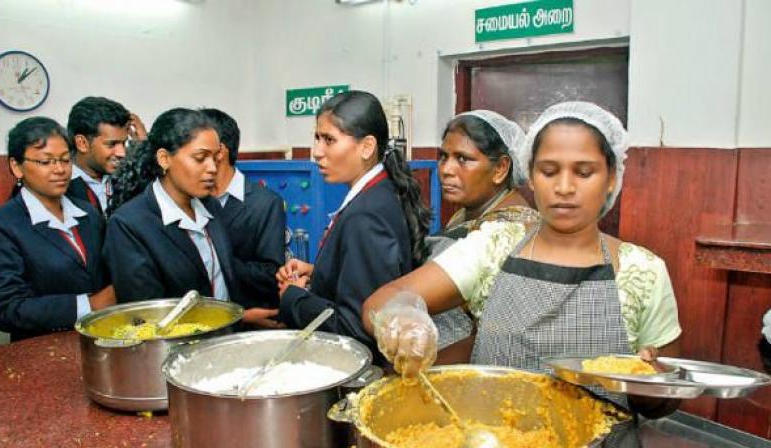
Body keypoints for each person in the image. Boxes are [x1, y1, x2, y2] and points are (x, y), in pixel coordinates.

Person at [364, 102, 682, 430]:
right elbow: (383, 300)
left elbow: (664, 402)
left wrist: (650, 386)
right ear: (530, 175)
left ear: (612, 178)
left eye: (584, 172)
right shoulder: (494, 245)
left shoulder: (643, 271)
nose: (564, 188)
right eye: (548, 171)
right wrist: (403, 317)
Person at [276, 91, 432, 355]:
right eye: (317, 138)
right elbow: (374, 279)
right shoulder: (380, 190)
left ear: (367, 147)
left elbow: (356, 329)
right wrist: (318, 271)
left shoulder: (366, 215)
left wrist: (294, 297)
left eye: (329, 140)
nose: (317, 152)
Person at [104, 108, 280, 328]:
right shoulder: (129, 225)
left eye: (215, 158)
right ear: (164, 159)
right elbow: (148, 319)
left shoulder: (210, 207)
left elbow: (221, 284)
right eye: (200, 158)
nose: (213, 168)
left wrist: (237, 318)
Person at [0, 117, 114, 341]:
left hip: (102, 339)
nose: (59, 170)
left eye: (65, 160)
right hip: (41, 351)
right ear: (16, 167)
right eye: (45, 162)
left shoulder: (88, 213)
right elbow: (7, 311)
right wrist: (89, 305)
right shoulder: (0, 225)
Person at [430, 110, 541, 360]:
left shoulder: (511, 231)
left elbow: (496, 334)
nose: (446, 169)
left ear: (501, 168)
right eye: (443, 156)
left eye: (463, 159)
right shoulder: (464, 215)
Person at [200, 108, 286, 310]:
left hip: (251, 322)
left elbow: (270, 274)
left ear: (219, 151)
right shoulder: (193, 200)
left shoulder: (264, 203)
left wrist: (212, 259)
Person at [66, 96, 147, 215]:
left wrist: (144, 149)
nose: (122, 153)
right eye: (112, 144)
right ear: (82, 143)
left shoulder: (129, 177)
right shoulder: (60, 186)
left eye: (124, 143)